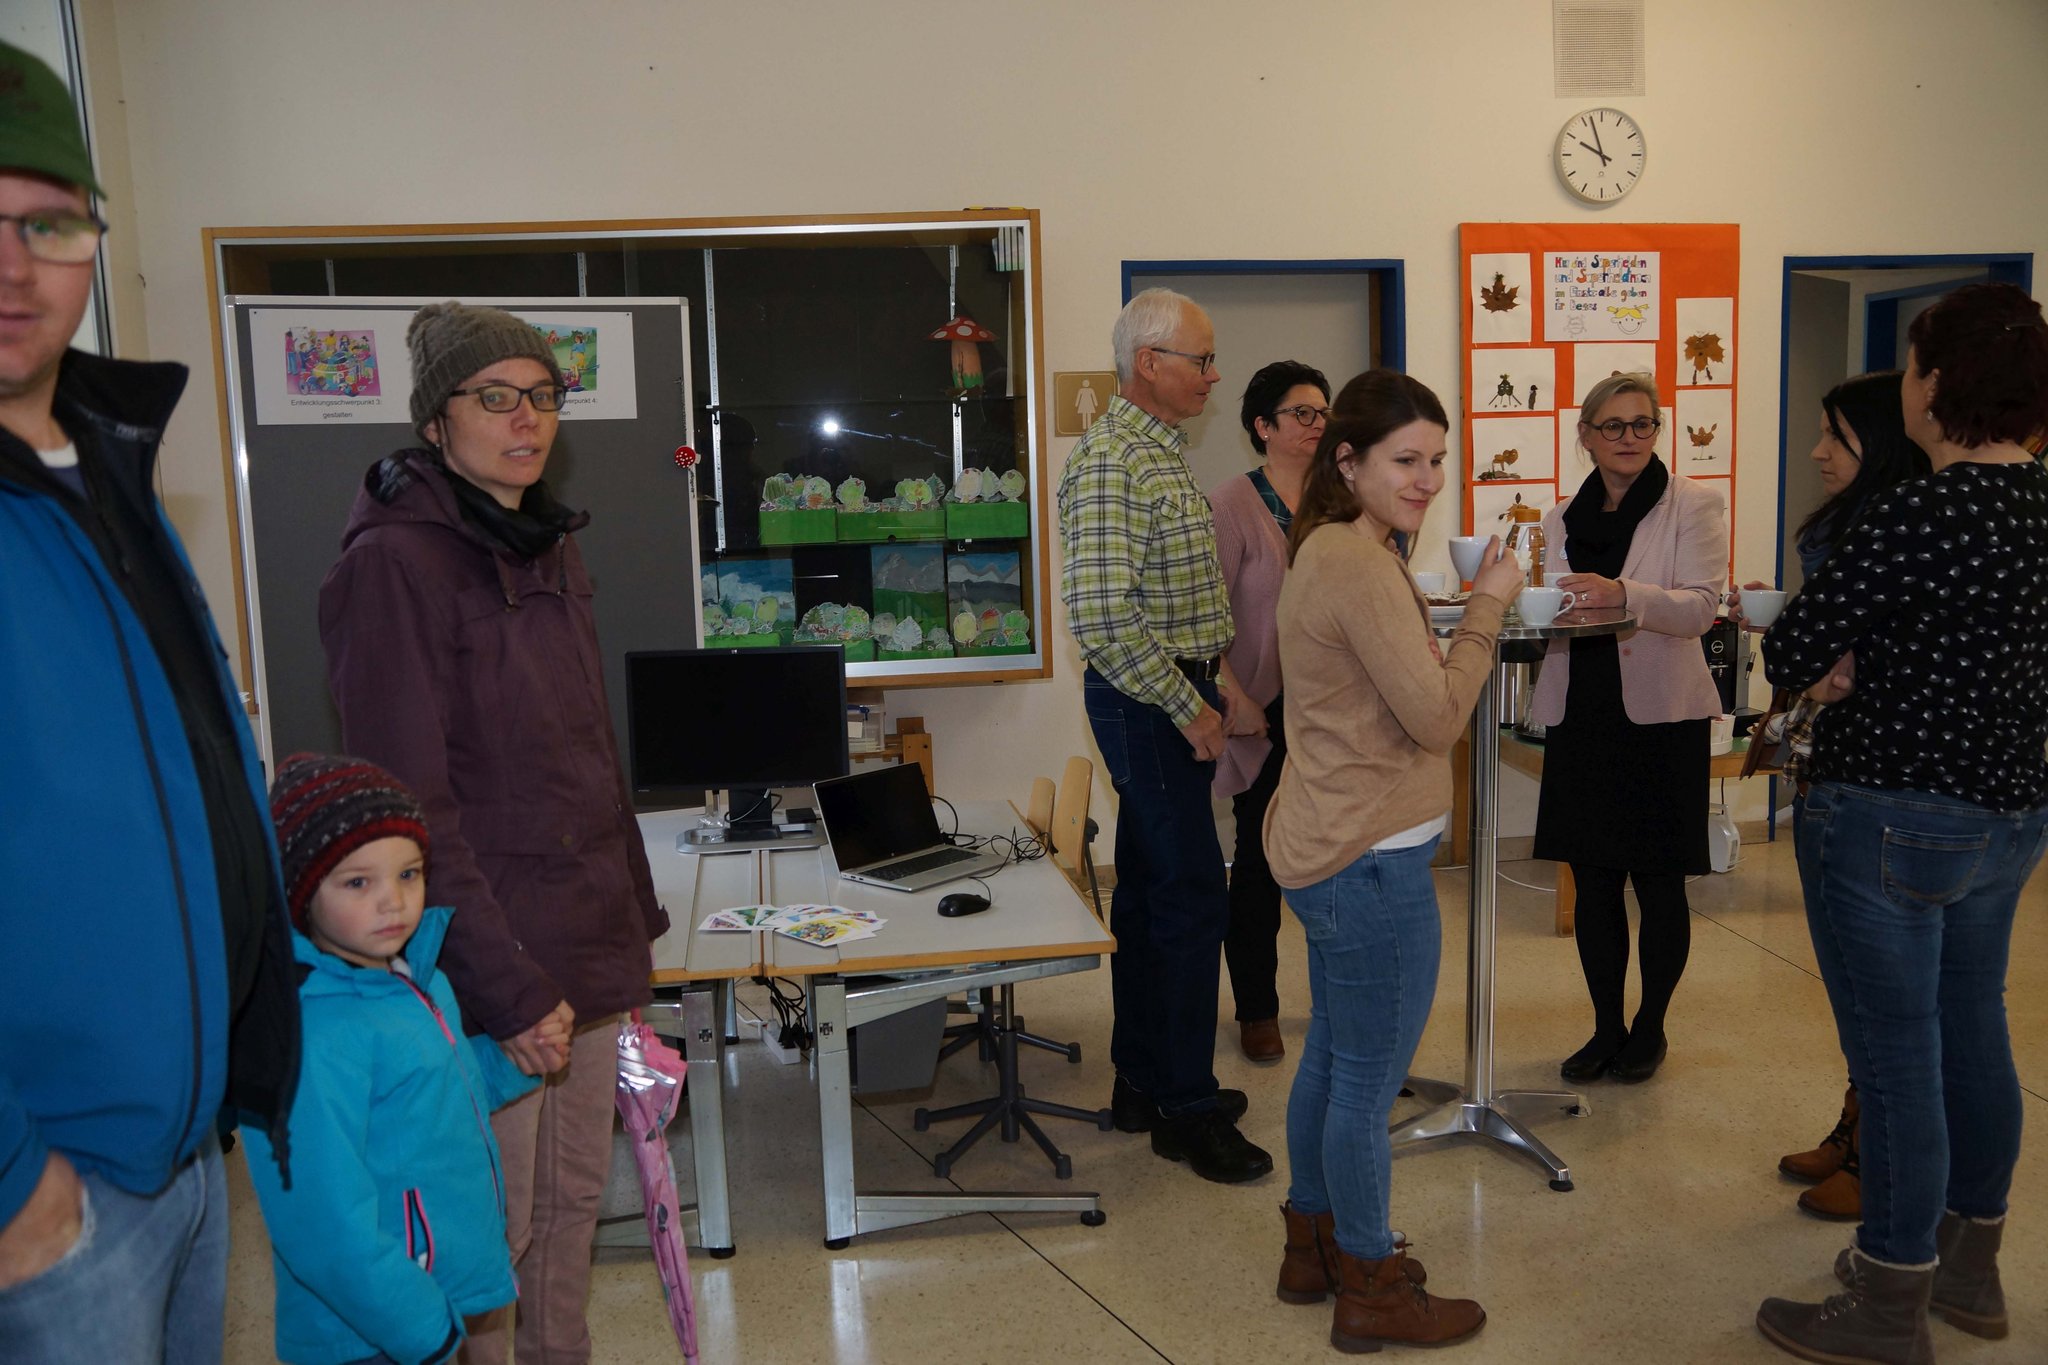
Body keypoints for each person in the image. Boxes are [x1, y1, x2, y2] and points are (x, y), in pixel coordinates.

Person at [0, 41, 300, 1363]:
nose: (14, 266)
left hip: (182, 1153)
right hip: (52, 1196)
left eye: (47, 221)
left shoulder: (105, 470)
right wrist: (16, 1190)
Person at [319, 301, 670, 1363]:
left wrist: (630, 927)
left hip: (585, 946)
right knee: (489, 1239)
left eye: (545, 396)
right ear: (437, 420)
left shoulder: (548, 543)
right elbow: (410, 807)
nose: (528, 419)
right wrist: (507, 988)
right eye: (496, 397)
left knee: (569, 1216)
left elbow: (589, 755)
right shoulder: (393, 564)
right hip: (486, 969)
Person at [1755, 282, 2048, 1364]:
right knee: (1974, 1029)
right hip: (2009, 811)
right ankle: (1967, 1268)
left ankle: (1888, 1298)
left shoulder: (1919, 510)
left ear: (1938, 386)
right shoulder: (2039, 503)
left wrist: (1839, 665)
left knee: (1894, 1058)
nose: (1908, 386)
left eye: (1916, 367)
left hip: (1890, 812)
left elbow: (1791, 650)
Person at [1264, 368, 1518, 1353]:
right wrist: (1486, 608)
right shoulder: (1357, 563)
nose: (1426, 479)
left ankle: (1312, 1244)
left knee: (1334, 1058)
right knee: (1366, 1083)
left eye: (1437, 461)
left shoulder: (1335, 548)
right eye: (1406, 460)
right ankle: (1368, 1282)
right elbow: (1437, 717)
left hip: (1332, 845)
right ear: (1348, 461)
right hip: (1368, 861)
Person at [1058, 286, 1268, 1183]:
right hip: (1147, 699)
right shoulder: (1115, 460)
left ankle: (1142, 1082)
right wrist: (1191, 708)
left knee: (1150, 894)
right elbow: (1106, 619)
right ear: (1149, 362)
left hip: (1168, 687)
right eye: (1202, 358)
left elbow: (1177, 600)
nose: (1214, 375)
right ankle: (1187, 1106)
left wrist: (1217, 683)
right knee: (1190, 898)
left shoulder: (1157, 451)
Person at [242, 754, 538, 1365]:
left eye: (408, 874)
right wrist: (423, 1328)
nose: (394, 902)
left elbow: (435, 1095)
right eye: (359, 883)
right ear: (301, 892)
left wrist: (515, 1062)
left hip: (428, 1306)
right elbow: (322, 1223)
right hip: (367, 1336)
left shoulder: (414, 979)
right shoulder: (308, 1036)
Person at [1730, 372, 1928, 1224]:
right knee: (1850, 979)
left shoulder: (1905, 528)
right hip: (1828, 767)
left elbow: (1823, 658)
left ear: (1881, 444)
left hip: (1882, 785)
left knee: (1882, 993)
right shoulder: (1846, 528)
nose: (1816, 452)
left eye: (1836, 437)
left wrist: (1815, 654)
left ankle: (1883, 1157)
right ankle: (1857, 1121)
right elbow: (1807, 655)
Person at [1530, 371, 1726, 1084]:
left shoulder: (1693, 505)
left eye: (1643, 424)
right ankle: (1606, 1026)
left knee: (1660, 881)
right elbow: (1553, 603)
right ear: (1585, 435)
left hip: (1660, 719)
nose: (1630, 437)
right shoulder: (1559, 518)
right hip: (1582, 711)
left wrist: (1624, 593)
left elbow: (1701, 607)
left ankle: (1650, 1028)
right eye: (1613, 425)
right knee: (1594, 880)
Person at [1209, 359, 1330, 1062]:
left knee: (1335, 861)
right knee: (1257, 863)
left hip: (1332, 711)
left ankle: (1337, 1001)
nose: (1317, 424)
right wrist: (1237, 696)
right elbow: (1206, 620)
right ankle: (1257, 1008)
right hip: (1262, 709)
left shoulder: (1343, 498)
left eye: (1324, 412)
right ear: (1263, 426)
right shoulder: (1231, 504)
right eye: (1301, 413)